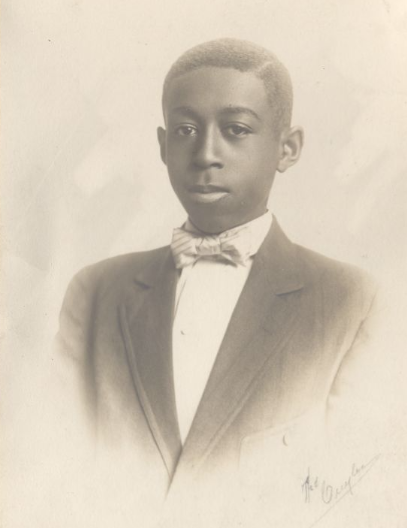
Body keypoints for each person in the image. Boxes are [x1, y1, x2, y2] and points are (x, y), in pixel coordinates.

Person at [55, 38, 389, 528]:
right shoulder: (96, 292)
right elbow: (53, 470)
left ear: (288, 148)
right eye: (186, 129)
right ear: (163, 146)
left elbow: (355, 494)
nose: (206, 152)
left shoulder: (350, 302)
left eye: (235, 130)